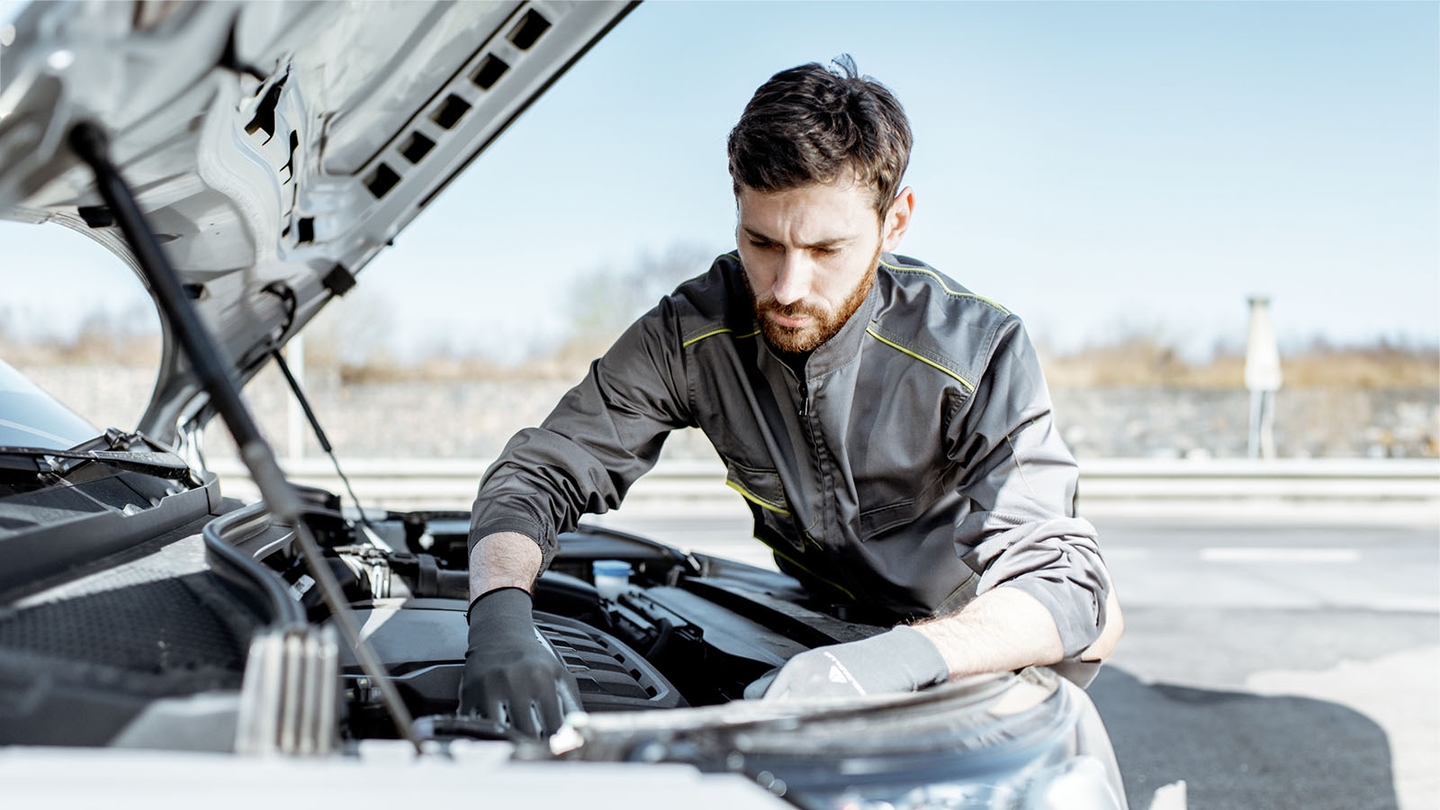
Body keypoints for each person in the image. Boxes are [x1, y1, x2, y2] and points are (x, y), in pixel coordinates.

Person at [459, 57, 1121, 738]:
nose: (785, 287)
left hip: (968, 647)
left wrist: (897, 658)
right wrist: (501, 618)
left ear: (896, 223)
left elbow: (1065, 581)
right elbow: (539, 472)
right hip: (813, 623)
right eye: (762, 242)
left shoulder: (975, 352)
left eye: (827, 249)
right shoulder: (691, 333)